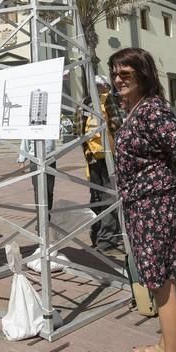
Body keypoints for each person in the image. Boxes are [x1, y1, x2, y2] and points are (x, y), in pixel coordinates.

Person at [108, 48, 176, 352]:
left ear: (143, 74)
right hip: (143, 207)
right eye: (114, 73)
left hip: (155, 209)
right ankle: (165, 344)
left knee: (161, 287)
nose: (117, 79)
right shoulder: (137, 110)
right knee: (164, 281)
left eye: (125, 73)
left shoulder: (151, 111)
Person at [78, 74, 123, 252]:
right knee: (105, 196)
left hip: (99, 156)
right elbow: (116, 125)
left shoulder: (87, 102)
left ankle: (101, 236)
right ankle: (104, 236)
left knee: (101, 196)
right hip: (102, 157)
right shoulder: (101, 101)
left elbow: (78, 131)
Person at [17, 139, 56, 212]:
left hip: (50, 159)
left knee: (49, 189)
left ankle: (47, 213)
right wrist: (22, 160)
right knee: (38, 189)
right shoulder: (31, 127)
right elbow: (25, 143)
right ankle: (40, 216)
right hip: (35, 160)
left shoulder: (51, 127)